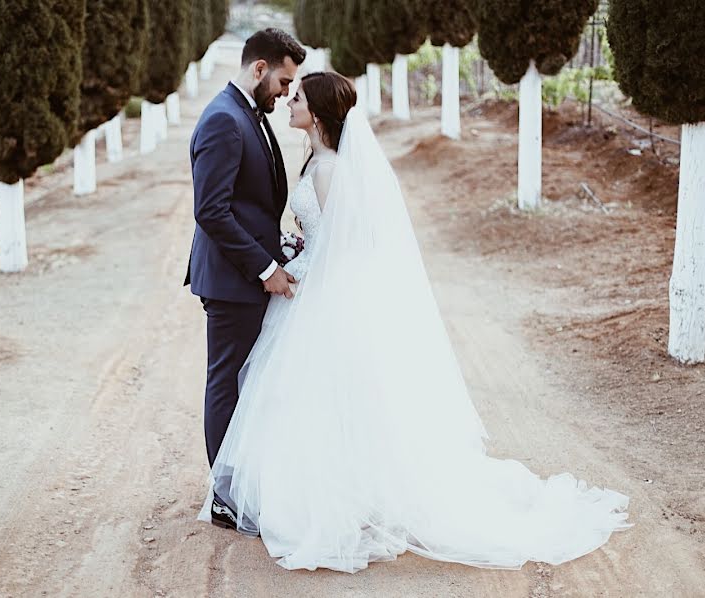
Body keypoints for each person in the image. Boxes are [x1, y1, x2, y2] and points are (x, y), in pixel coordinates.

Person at [198, 71, 631, 573]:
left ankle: (342, 500)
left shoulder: (330, 170)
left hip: (323, 299)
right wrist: (298, 251)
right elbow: (324, 236)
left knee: (322, 399)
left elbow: (351, 248)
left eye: (296, 97)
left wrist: (303, 266)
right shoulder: (316, 159)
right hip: (308, 287)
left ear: (315, 114)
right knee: (306, 399)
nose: (287, 102)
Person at [184, 29, 306, 528]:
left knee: (248, 382)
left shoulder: (246, 114)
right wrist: (265, 267)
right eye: (282, 80)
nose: (285, 92)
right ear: (259, 69)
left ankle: (244, 483)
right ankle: (223, 496)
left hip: (248, 273)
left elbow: (249, 205)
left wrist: (281, 246)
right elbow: (212, 212)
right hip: (234, 281)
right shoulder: (223, 120)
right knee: (227, 385)